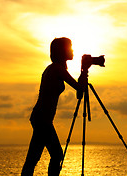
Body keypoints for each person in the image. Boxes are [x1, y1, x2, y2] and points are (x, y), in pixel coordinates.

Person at [21, 37, 85, 176]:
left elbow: (79, 92)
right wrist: (84, 71)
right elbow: (79, 88)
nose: (72, 50)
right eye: (70, 47)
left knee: (33, 158)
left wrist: (83, 72)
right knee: (56, 155)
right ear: (62, 51)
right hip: (42, 119)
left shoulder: (55, 68)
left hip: (41, 118)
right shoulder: (57, 69)